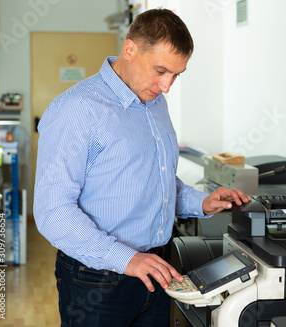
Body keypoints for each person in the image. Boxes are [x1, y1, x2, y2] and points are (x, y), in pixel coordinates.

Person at [33, 8, 250, 327]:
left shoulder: (155, 103)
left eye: (177, 75)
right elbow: (53, 212)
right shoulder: (77, 110)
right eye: (161, 71)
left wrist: (201, 202)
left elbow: (156, 181)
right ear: (130, 49)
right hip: (97, 282)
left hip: (157, 269)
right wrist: (127, 259)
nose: (167, 86)